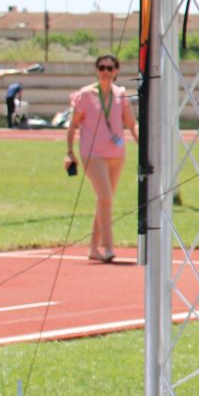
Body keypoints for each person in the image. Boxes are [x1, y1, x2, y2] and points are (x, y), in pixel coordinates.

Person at [65, 54, 138, 262]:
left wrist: (139, 138)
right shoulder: (86, 95)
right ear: (97, 70)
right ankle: (107, 247)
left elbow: (131, 123)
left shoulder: (120, 95)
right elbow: (73, 125)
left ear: (116, 71)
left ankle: (93, 248)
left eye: (110, 68)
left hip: (116, 155)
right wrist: (69, 152)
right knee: (105, 198)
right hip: (92, 154)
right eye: (102, 68)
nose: (105, 72)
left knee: (104, 200)